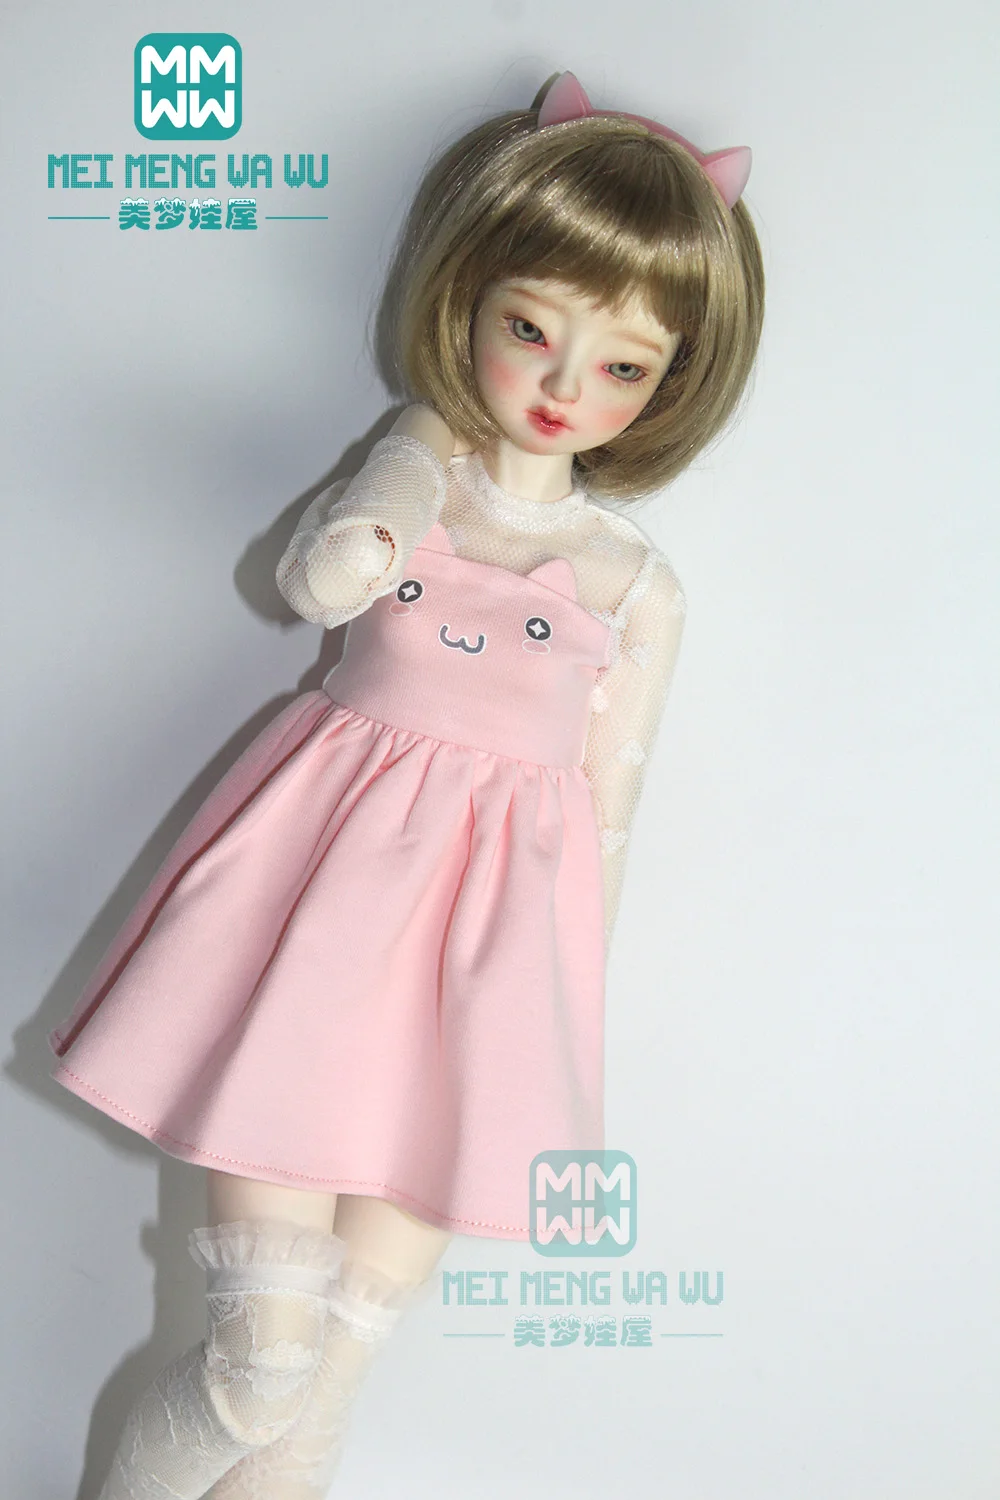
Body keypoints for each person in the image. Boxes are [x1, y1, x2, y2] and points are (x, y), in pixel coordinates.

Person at [46, 71, 765, 1498]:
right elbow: (326, 566)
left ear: (671, 379)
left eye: (622, 365)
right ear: (470, 301)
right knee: (255, 1371)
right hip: (309, 940)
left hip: (476, 994)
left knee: (317, 1401)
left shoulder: (638, 587)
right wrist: (372, 521)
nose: (563, 387)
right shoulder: (420, 474)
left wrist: (551, 1030)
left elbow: (608, 822)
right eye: (531, 330)